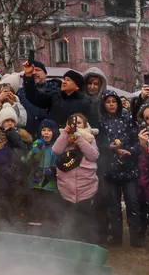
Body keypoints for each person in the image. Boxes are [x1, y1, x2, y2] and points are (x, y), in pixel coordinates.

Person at [93, 92, 143, 247]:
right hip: (110, 170)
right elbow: (96, 146)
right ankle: (116, 236)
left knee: (132, 203)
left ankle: (136, 237)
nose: (111, 104)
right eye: (108, 101)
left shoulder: (128, 121)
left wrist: (130, 151)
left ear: (119, 103)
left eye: (114, 101)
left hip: (129, 169)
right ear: (104, 104)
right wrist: (109, 147)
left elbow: (137, 143)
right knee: (113, 205)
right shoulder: (100, 123)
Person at [53, 112, 101, 242]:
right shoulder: (65, 137)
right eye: (72, 123)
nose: (75, 125)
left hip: (86, 188)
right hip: (66, 188)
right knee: (68, 219)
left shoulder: (90, 138)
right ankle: (68, 243)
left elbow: (93, 155)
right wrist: (65, 134)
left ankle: (86, 244)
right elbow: (56, 150)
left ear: (85, 125)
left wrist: (79, 137)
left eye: (79, 123)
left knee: (84, 220)